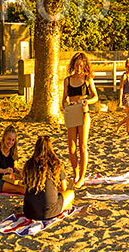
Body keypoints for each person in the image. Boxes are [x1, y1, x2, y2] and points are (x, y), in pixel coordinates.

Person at [61, 52, 97, 188]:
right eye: (76, 65)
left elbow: (95, 96)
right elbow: (64, 98)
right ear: (73, 65)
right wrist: (65, 104)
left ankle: (81, 177)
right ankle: (75, 173)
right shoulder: (67, 80)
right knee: (71, 147)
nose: (78, 68)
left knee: (83, 146)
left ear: (84, 66)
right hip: (71, 112)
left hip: (83, 112)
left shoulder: (88, 79)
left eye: (81, 66)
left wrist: (87, 101)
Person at [20, 135, 76, 221]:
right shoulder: (56, 164)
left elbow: (24, 190)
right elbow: (63, 188)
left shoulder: (29, 164)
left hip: (29, 212)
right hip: (48, 213)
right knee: (71, 193)